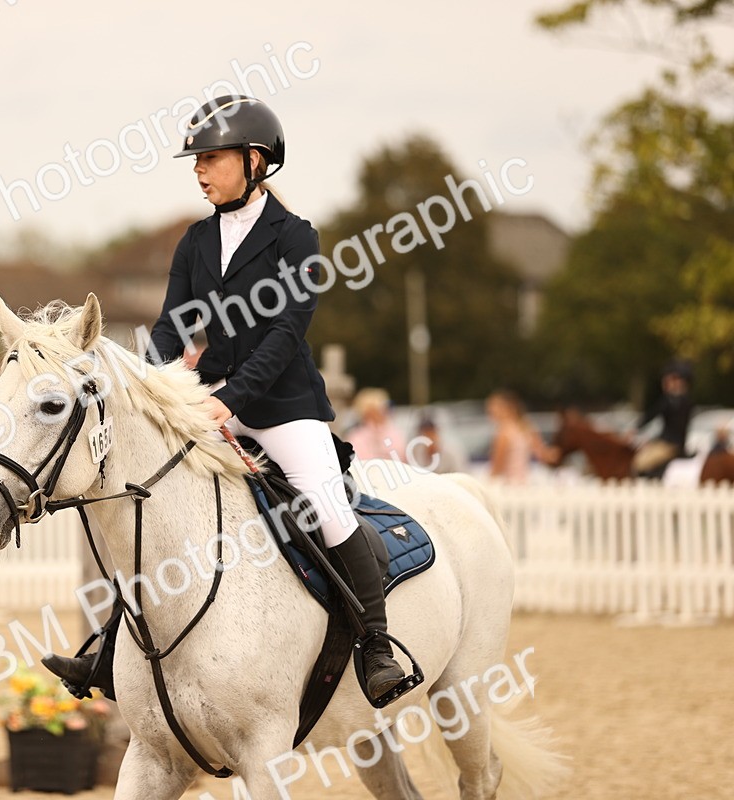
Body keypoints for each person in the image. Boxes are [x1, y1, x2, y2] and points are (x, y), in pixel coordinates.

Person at [41, 95, 407, 703]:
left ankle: (376, 646)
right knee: (155, 507)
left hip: (285, 408)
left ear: (254, 160)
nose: (199, 170)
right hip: (212, 399)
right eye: (197, 160)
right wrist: (145, 387)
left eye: (211, 158)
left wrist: (231, 400)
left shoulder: (296, 238)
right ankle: (109, 646)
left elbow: (287, 333)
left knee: (327, 505)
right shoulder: (195, 242)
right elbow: (172, 325)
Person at [628, 360, 694, 478]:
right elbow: (652, 415)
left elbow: (654, 415)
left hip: (670, 444)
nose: (666, 383)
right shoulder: (672, 400)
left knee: (638, 463)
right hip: (664, 441)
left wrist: (636, 428)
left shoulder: (675, 401)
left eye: (670, 380)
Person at [486, 390, 543, 484]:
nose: (490, 412)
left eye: (492, 408)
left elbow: (497, 467)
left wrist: (489, 482)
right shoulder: (526, 427)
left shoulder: (504, 433)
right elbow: (542, 453)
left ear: (505, 408)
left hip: (508, 484)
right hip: (523, 481)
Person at [346, 388, 408, 463]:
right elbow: (358, 460)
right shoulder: (356, 436)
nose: (383, 412)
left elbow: (401, 455)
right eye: (377, 409)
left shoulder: (393, 431)